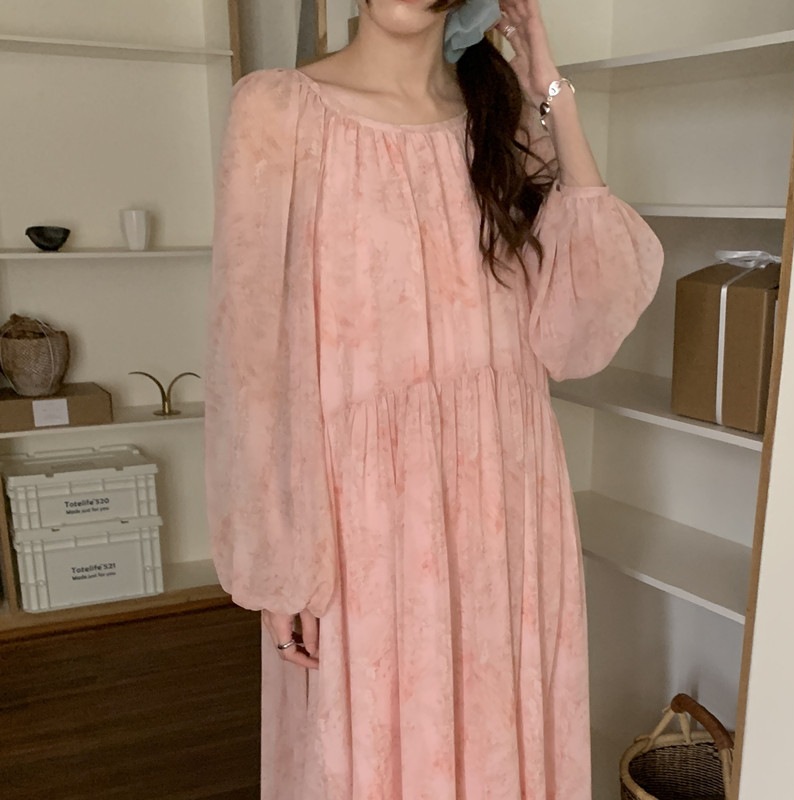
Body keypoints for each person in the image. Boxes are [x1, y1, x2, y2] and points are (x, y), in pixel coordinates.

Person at [204, 0, 664, 797]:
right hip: (365, 517)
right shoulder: (277, 109)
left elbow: (578, 326)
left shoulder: (499, 118)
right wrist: (279, 560)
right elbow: (251, 353)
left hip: (508, 493)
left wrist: (551, 92)